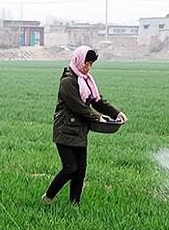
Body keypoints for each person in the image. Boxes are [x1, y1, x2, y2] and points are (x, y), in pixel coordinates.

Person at [42, 45, 127, 206]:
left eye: (91, 64)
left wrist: (116, 113)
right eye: (86, 63)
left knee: (81, 170)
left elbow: (97, 101)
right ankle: (48, 197)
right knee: (70, 168)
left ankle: (75, 203)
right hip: (64, 130)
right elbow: (78, 106)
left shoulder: (86, 81)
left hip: (80, 130)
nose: (89, 67)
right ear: (78, 60)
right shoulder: (68, 81)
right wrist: (98, 118)